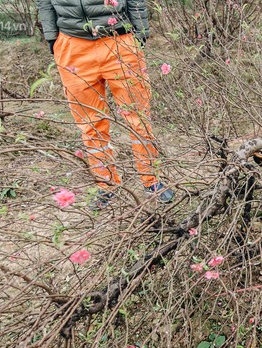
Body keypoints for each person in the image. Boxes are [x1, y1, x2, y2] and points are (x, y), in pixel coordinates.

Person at [37, 0, 174, 208]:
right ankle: (107, 185)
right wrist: (51, 37)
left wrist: (140, 34)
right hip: (72, 45)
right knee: (90, 124)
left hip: (119, 39)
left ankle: (151, 179)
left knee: (138, 118)